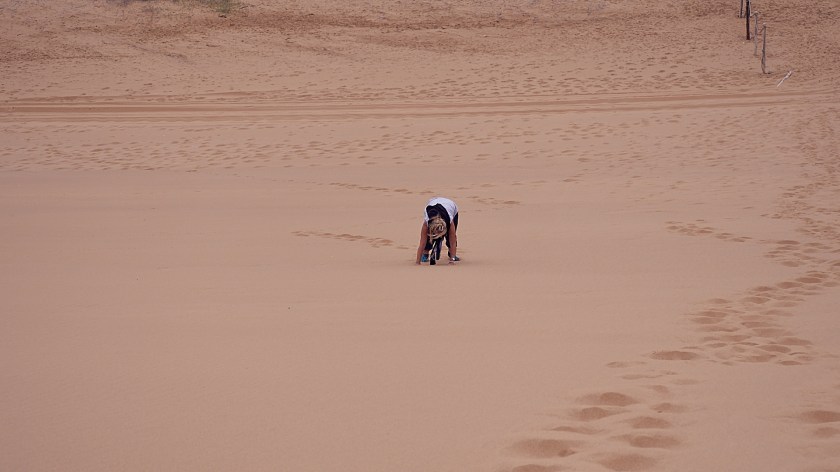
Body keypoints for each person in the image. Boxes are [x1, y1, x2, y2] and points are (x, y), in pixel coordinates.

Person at [415, 197, 460, 265]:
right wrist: (417, 262)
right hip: (434, 202)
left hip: (451, 206)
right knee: (428, 237)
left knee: (450, 237)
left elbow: (453, 241)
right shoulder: (426, 222)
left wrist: (452, 260)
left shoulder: (450, 222)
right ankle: (425, 253)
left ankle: (452, 254)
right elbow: (422, 243)